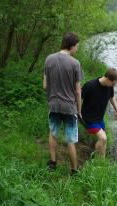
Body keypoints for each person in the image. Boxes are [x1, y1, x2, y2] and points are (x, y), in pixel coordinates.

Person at [43, 32, 84, 175]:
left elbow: (44, 85)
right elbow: (78, 91)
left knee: (53, 133)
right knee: (70, 139)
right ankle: (74, 171)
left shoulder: (49, 59)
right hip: (69, 107)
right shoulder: (75, 63)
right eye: (77, 46)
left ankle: (52, 163)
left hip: (53, 105)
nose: (77, 49)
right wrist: (79, 110)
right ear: (72, 46)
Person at [81, 68, 117, 158]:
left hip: (99, 118)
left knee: (104, 139)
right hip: (88, 118)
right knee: (103, 138)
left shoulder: (109, 87)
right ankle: (98, 161)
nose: (113, 86)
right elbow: (79, 97)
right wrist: (78, 113)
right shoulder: (90, 85)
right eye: (113, 83)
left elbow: (112, 97)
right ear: (108, 79)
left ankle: (101, 159)